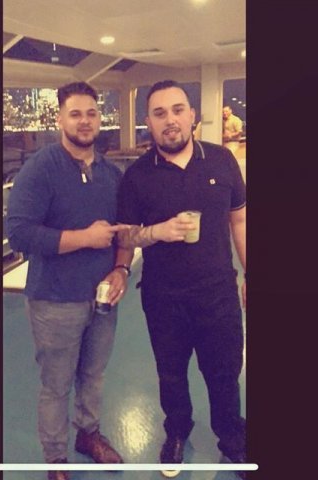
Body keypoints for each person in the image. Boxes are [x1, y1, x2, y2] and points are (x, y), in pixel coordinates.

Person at [116, 80, 247, 479]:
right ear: (148, 122)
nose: (169, 120)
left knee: (224, 372)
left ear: (192, 115)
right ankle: (176, 431)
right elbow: (125, 235)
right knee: (170, 373)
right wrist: (156, 232)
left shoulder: (221, 160)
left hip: (219, 294)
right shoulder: (137, 176)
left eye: (177, 110)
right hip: (163, 298)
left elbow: (240, 220)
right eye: (159, 113)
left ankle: (232, 438)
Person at [7, 81, 132, 480]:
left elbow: (125, 231)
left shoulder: (111, 174)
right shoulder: (40, 169)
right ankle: (56, 458)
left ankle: (88, 435)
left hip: (103, 298)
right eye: (75, 113)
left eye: (91, 113)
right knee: (56, 384)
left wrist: (121, 269)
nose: (84, 121)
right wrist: (85, 238)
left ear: (100, 118)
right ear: (60, 119)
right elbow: (20, 234)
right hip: (54, 300)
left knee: (94, 375)